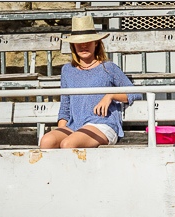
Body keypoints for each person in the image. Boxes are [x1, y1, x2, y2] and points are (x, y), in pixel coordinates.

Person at [40, 16, 141, 149]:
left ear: (96, 43)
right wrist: (61, 131)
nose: (83, 45)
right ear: (73, 45)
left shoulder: (108, 68)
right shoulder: (67, 70)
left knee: (69, 144)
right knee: (47, 141)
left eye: (88, 41)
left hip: (102, 124)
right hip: (74, 127)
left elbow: (135, 93)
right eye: (79, 42)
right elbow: (65, 105)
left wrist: (110, 96)